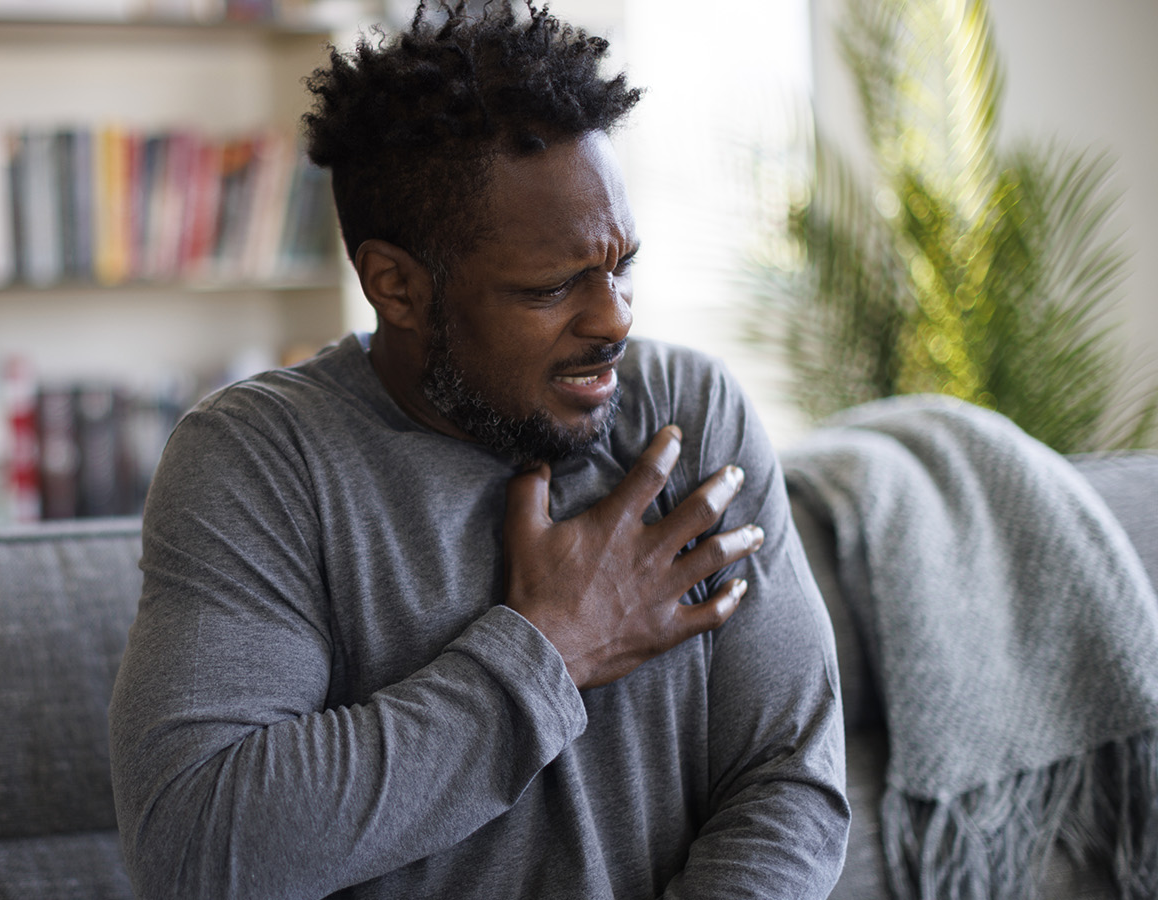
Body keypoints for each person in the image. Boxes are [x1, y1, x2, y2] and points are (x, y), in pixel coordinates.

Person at [108, 2, 850, 897]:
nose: (615, 317)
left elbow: (791, 781)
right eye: (551, 287)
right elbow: (197, 848)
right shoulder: (261, 462)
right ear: (398, 287)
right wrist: (551, 648)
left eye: (620, 268)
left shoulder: (686, 416)